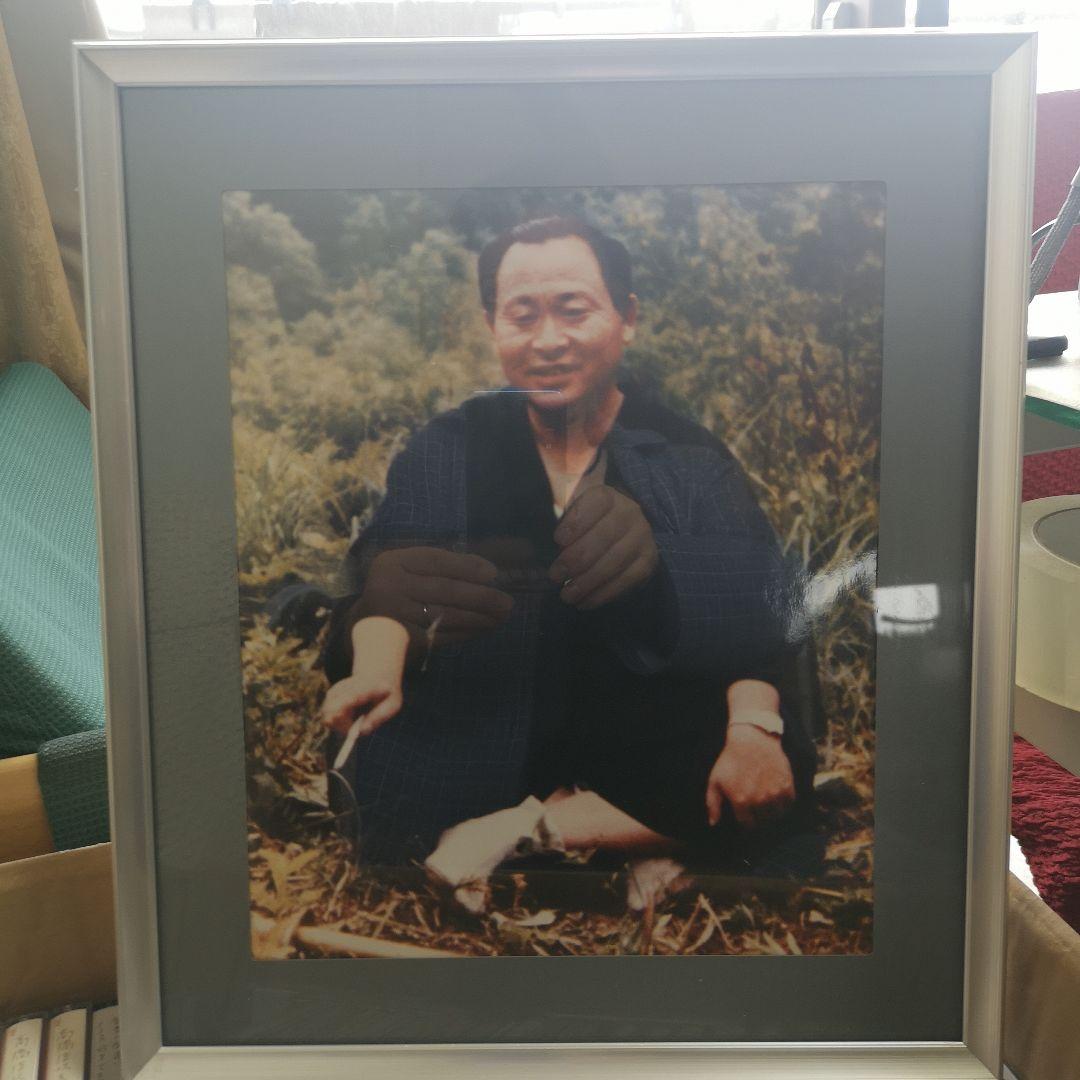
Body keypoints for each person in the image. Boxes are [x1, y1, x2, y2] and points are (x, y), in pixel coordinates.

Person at [320, 216, 819, 893]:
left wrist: (752, 732)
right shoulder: (451, 444)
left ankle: (536, 830)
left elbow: (750, 608)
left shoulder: (686, 453)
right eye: (522, 316)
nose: (548, 340)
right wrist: (380, 668)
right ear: (493, 325)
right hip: (497, 713)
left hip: (641, 724)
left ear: (626, 317)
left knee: (765, 761)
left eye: (573, 310)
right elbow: (389, 570)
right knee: (387, 782)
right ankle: (627, 833)